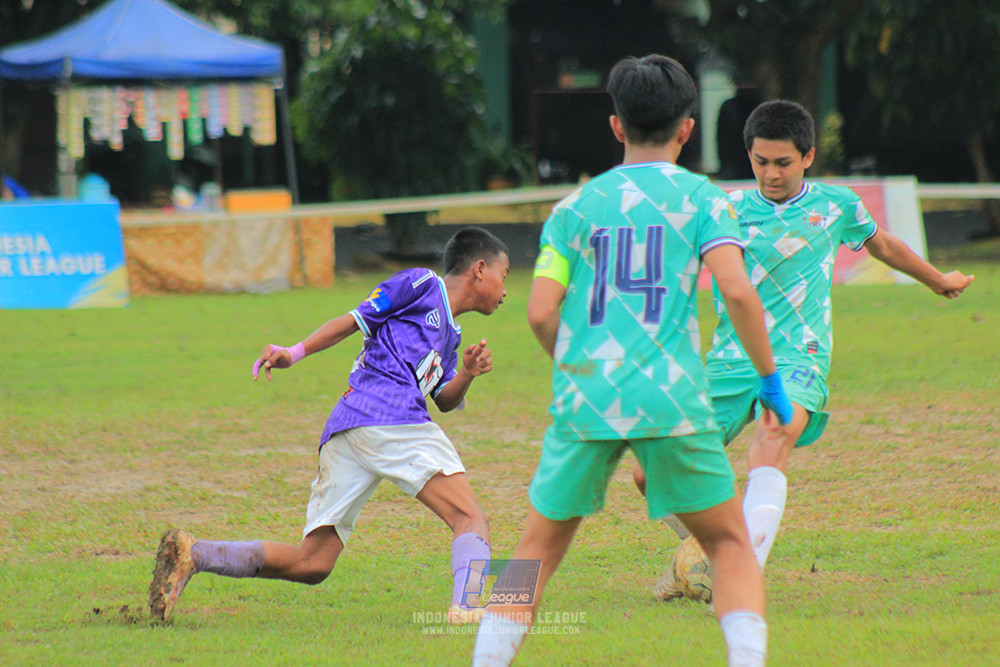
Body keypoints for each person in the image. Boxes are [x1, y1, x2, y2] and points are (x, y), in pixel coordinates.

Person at [471, 55, 794, 667]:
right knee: (729, 545)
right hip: (672, 396)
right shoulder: (706, 201)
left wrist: (577, 370)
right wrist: (770, 383)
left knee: (532, 555)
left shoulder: (571, 210)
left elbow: (540, 313)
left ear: (615, 126)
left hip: (588, 395)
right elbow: (738, 292)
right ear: (687, 129)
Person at [633, 100, 975, 596]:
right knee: (651, 470)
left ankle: (737, 581)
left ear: (808, 156)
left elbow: (883, 245)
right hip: (729, 362)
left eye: (783, 162)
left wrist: (936, 279)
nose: (771, 174)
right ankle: (708, 551)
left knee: (772, 438)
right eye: (760, 161)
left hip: (798, 358)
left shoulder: (836, 205)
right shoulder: (721, 207)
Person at [148, 227, 510, 625]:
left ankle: (194, 553)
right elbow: (352, 321)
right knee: (470, 518)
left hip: (351, 427)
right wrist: (294, 352)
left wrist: (469, 373)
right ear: (479, 269)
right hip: (390, 417)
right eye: (504, 275)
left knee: (313, 562)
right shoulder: (421, 283)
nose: (505, 289)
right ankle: (467, 607)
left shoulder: (451, 336)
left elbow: (444, 399)